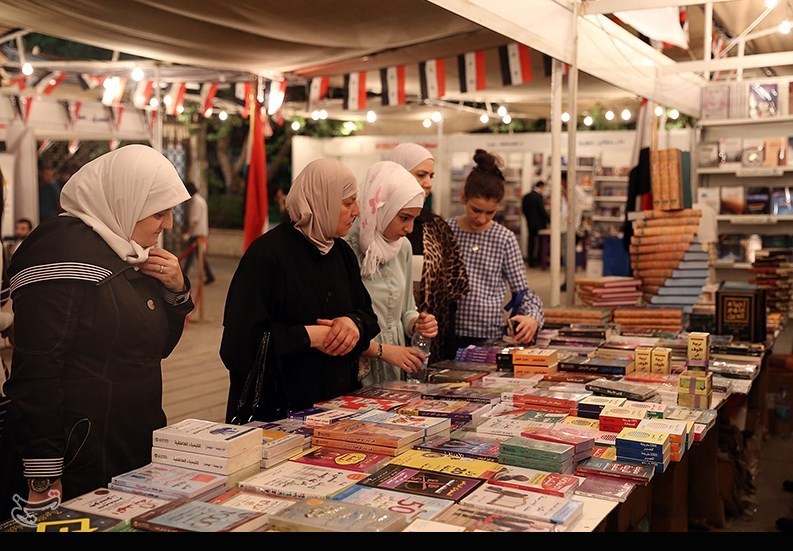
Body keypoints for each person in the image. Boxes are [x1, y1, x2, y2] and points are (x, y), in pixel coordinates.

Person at [0, 144, 194, 517]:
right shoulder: (61, 258)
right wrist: (42, 473)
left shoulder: (125, 251)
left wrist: (176, 292)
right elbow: (37, 372)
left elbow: (153, 347)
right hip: (80, 456)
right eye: (160, 212)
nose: (168, 223)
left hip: (128, 444)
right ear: (126, 200)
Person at [220, 158, 380, 423]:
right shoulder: (267, 255)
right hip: (276, 413)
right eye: (348, 203)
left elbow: (366, 314)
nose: (357, 211)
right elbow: (238, 345)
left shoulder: (341, 252)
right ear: (322, 201)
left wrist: (352, 325)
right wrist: (307, 336)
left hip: (335, 407)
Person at [345, 161, 439, 386]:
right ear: (381, 208)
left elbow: (406, 310)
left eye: (414, 219)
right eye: (404, 218)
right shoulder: (347, 247)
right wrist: (382, 351)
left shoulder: (402, 247)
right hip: (356, 366)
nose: (409, 229)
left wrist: (418, 323)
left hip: (395, 365)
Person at [448, 149, 544, 348]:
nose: (481, 219)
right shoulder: (446, 231)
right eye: (476, 210)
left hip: (488, 337)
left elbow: (522, 292)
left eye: (490, 212)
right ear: (463, 197)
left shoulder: (504, 238)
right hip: (447, 334)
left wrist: (533, 318)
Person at [386, 143, 469, 362]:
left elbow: (453, 289)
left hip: (428, 341)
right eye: (420, 175)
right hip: (382, 344)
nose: (428, 183)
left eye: (431, 175)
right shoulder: (371, 230)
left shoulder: (437, 227)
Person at [180, 181, 215, 285]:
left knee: (192, 256)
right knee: (198, 257)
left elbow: (194, 221)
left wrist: (187, 234)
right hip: (198, 233)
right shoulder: (198, 201)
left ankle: (184, 275)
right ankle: (209, 276)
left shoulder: (197, 202)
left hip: (197, 234)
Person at [521, 180, 549, 268]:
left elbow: (524, 210)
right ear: (541, 186)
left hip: (529, 222)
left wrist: (528, 218)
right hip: (539, 224)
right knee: (541, 242)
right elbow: (542, 210)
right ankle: (539, 260)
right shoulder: (539, 197)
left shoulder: (526, 196)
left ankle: (530, 261)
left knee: (531, 241)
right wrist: (548, 219)